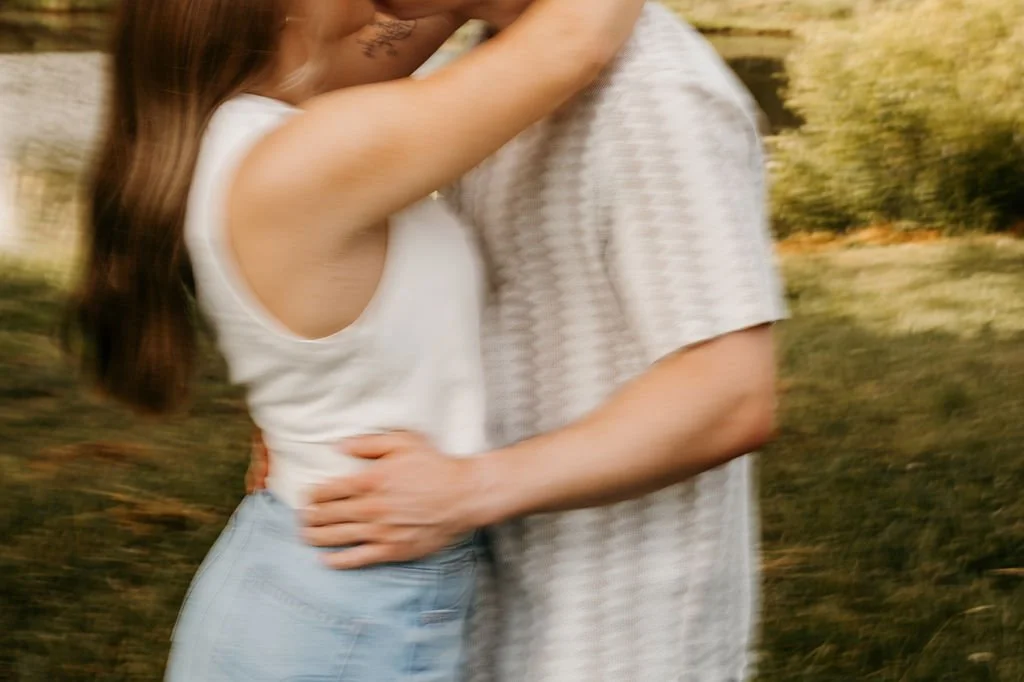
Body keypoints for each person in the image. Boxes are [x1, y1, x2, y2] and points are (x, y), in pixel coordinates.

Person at [65, 0, 648, 679]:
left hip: (311, 579)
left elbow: (436, 12)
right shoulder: (304, 155)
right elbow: (573, 41)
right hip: (347, 613)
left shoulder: (255, 123)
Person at [251, 1, 789, 680]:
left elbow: (729, 395)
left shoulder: (656, 96)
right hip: (494, 592)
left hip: (616, 629)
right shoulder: (496, 58)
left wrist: (468, 490)